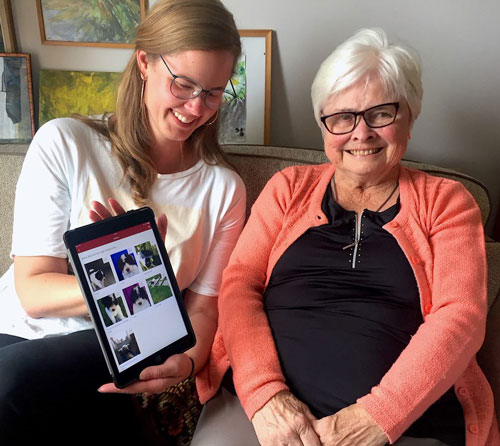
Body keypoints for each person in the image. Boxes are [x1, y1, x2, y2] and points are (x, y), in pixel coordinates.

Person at [192, 28, 499, 446]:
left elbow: (460, 317)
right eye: (342, 117)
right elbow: (238, 285)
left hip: (406, 426)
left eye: (381, 113)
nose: (361, 132)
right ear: (323, 126)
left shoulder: (447, 201)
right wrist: (266, 396)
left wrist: (375, 419)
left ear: (409, 117)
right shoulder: (288, 188)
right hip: (262, 416)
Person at [0, 0, 245, 443]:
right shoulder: (65, 142)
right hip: (17, 333)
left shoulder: (223, 189)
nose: (196, 108)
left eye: (213, 93)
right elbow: (33, 292)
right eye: (184, 84)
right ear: (145, 63)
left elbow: (204, 308)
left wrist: (187, 361)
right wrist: (130, 281)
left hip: (117, 347)